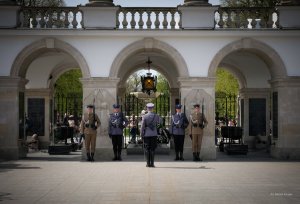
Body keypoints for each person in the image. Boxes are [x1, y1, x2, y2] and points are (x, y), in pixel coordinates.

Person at [140, 103, 162, 167]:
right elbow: (160, 122)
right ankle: (152, 163)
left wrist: (141, 134)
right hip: (154, 134)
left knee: (147, 149)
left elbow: (142, 127)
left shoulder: (144, 116)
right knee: (152, 149)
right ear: (153, 108)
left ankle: (148, 163)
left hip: (147, 134)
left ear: (147, 108)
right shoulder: (156, 116)